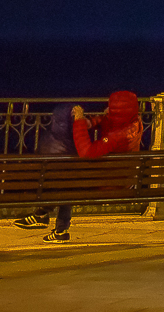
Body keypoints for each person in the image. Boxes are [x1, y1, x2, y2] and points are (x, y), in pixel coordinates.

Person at [21, 91, 144, 242]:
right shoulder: (133, 122)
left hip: (111, 183)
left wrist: (79, 121)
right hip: (120, 176)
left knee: (68, 183)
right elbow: (112, 124)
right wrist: (95, 121)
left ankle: (45, 217)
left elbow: (87, 152)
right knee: (69, 179)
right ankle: (54, 226)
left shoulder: (119, 134)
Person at [13, 104, 77, 233]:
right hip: (86, 184)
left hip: (53, 183)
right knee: (67, 186)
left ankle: (42, 214)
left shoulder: (49, 140)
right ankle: (58, 227)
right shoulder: (74, 140)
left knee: (64, 186)